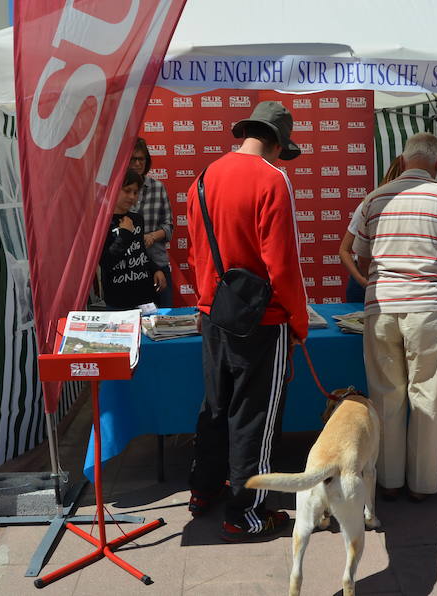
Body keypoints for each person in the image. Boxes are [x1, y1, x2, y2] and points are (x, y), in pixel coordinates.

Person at [186, 100, 308, 542]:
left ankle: (203, 490)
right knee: (254, 415)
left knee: (216, 407)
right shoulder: (273, 179)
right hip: (262, 318)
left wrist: (204, 304)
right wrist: (298, 321)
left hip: (213, 313)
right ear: (276, 142)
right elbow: (283, 264)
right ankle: (245, 513)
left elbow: (197, 253)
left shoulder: (202, 179)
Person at [353, 132, 437, 502]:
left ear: (403, 160)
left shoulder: (374, 198)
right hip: (430, 310)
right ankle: (422, 486)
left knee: (386, 397)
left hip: (381, 308)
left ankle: (388, 482)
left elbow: (361, 259)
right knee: (427, 398)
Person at [340, 156, 404, 303]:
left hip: (398, 281)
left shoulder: (419, 206)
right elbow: (344, 250)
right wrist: (361, 280)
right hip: (367, 281)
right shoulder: (369, 204)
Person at [99, 168, 165, 310]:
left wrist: (155, 269)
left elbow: (140, 252)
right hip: (118, 300)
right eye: (127, 191)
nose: (132, 197)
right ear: (113, 190)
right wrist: (125, 234)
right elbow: (106, 262)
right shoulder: (103, 224)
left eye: (135, 192)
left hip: (145, 295)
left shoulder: (137, 219)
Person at [132, 138, 174, 307]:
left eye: (141, 159)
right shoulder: (115, 191)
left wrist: (152, 236)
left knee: (164, 320)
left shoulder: (158, 187)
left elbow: (169, 226)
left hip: (158, 262)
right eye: (133, 159)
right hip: (130, 268)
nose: (137, 163)